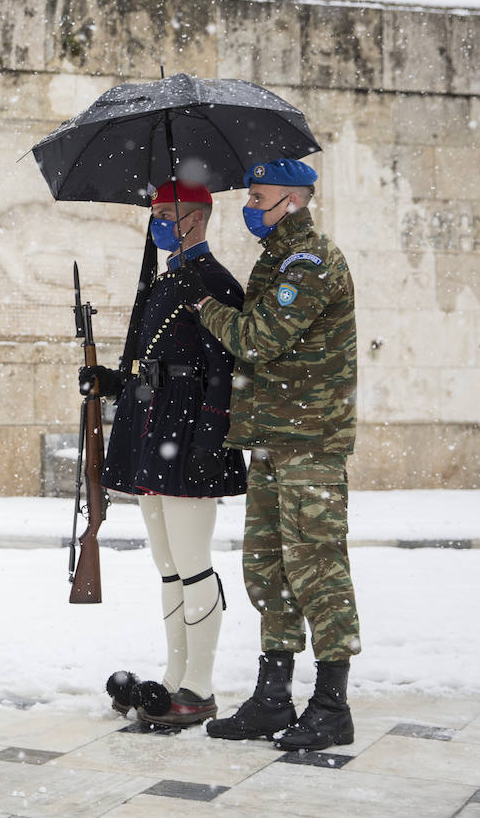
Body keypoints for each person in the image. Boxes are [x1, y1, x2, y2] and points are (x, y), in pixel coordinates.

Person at [175, 158, 360, 752]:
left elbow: (259, 339)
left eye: (259, 197)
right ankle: (273, 697)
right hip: (276, 442)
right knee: (270, 572)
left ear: (294, 202)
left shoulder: (308, 262)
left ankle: (331, 705)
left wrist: (206, 309)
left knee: (319, 573)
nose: (250, 207)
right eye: (250, 197)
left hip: (311, 445)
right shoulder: (277, 258)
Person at [81, 181, 248, 729]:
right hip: (154, 432)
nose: (156, 224)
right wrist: (107, 381)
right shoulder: (165, 281)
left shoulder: (212, 282)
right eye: (154, 215)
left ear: (196, 219)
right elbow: (145, 364)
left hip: (188, 435)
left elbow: (225, 375)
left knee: (194, 565)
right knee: (168, 567)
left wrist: (208, 442)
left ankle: (200, 686)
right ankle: (175, 678)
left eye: (166, 215)